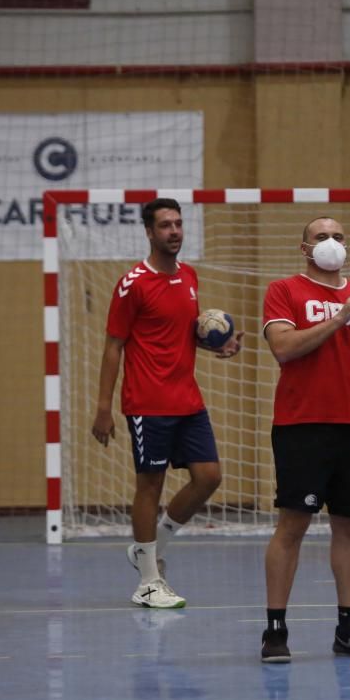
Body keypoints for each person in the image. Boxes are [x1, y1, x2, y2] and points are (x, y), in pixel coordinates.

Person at [92, 197, 243, 610]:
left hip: (187, 400)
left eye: (178, 224)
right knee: (150, 486)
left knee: (209, 476)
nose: (174, 231)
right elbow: (113, 346)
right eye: (165, 225)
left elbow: (180, 332)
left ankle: (150, 547)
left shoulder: (190, 276)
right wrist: (104, 407)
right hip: (147, 402)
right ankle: (147, 582)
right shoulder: (132, 284)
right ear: (148, 232)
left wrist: (218, 344)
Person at [259, 216, 350, 663]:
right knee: (293, 525)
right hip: (303, 424)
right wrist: (340, 316)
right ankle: (275, 629)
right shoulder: (285, 290)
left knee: (349, 527)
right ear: (305, 248)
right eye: (321, 237)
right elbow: (285, 347)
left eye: (338, 236)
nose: (331, 243)